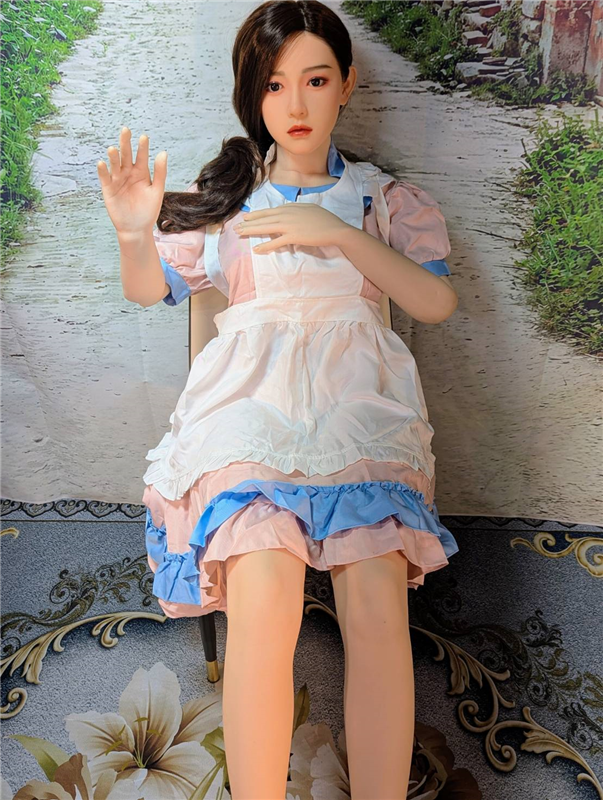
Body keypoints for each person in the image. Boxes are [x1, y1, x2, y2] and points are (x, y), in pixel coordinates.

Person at [97, 1, 460, 796]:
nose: (294, 104)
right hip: (249, 410)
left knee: (376, 607)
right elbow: (151, 289)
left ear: (346, 84)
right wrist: (132, 233)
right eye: (272, 85)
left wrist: (341, 235)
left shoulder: (379, 199)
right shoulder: (230, 197)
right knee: (262, 601)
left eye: (315, 80)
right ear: (251, 93)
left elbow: (434, 302)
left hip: (359, 409)